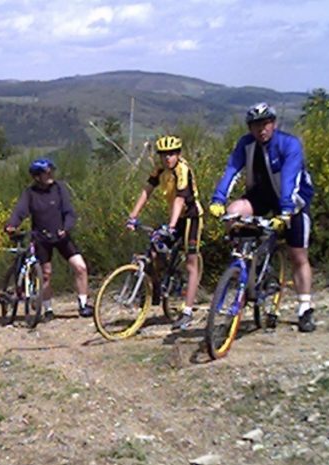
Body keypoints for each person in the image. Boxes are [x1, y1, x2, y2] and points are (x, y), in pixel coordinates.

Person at [209, 102, 316, 332]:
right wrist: (218, 199)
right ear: (250, 128)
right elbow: (231, 170)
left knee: (298, 255)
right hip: (263, 195)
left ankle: (305, 308)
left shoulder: (289, 144)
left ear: (274, 124)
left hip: (293, 200)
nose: (261, 129)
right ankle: (244, 264)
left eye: (266, 123)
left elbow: (290, 180)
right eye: (256, 125)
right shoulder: (246, 145)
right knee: (234, 211)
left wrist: (286, 211)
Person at [125, 135, 204, 330]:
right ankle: (158, 287)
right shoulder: (160, 169)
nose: (168, 157)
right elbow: (147, 190)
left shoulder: (182, 170)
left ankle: (187, 311)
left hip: (191, 218)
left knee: (191, 263)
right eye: (164, 154)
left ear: (178, 154)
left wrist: (171, 226)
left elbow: (180, 199)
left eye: (172, 153)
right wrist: (132, 216)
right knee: (154, 250)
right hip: (175, 218)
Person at [5, 158, 93, 320]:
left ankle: (83, 304)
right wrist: (12, 224)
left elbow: (69, 211)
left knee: (80, 267)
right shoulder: (30, 193)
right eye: (47, 172)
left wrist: (66, 227)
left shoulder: (59, 188)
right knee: (46, 274)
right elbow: (20, 211)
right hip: (41, 238)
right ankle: (48, 309)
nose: (51, 174)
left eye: (51, 171)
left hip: (62, 235)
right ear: (37, 176)